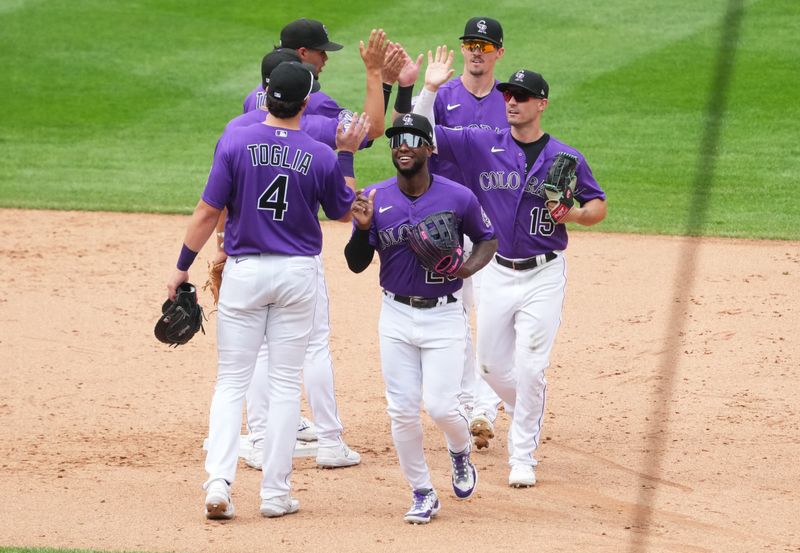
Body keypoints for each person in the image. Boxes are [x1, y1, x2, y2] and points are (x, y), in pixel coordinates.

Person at [165, 61, 369, 520]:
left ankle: (219, 483)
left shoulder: (236, 140)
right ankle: (275, 495)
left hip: (245, 272)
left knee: (231, 382)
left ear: (265, 95)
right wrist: (349, 153)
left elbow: (205, 212)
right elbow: (342, 212)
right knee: (282, 386)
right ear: (305, 103)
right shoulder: (318, 152)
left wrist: (182, 268)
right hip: (298, 276)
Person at [414, 48, 608, 487]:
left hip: (544, 273)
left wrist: (573, 216)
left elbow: (598, 205)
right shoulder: (483, 143)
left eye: (522, 96)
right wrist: (428, 88)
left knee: (531, 366)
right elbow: (422, 132)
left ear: (542, 103)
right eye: (508, 95)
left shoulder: (564, 156)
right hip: (497, 272)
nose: (513, 102)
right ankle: (529, 409)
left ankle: (523, 456)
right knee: (489, 368)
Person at [216, 31, 390, 470]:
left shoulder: (241, 119)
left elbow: (217, 199)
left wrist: (219, 247)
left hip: (244, 254)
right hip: (296, 259)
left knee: (253, 352)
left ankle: (264, 434)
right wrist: (378, 78)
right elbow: (369, 133)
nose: (322, 66)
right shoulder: (315, 121)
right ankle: (328, 440)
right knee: (312, 346)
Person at [344, 113, 498, 523]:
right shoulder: (375, 198)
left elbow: (488, 238)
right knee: (401, 410)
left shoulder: (458, 196)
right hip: (394, 314)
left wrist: (466, 269)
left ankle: (460, 450)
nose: (403, 145)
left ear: (430, 148)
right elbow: (356, 264)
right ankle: (422, 491)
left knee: (442, 407)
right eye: (397, 139)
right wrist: (361, 230)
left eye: (413, 138)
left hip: (444, 316)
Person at [428, 17, 508, 446]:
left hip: (496, 223)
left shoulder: (511, 100)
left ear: (499, 52)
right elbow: (415, 140)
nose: (477, 50)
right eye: (470, 43)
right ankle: (472, 403)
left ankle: (485, 403)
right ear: (463, 49)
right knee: (454, 316)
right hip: (449, 224)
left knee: (493, 318)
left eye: (485, 44)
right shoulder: (444, 96)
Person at [243, 19, 386, 142]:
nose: (325, 58)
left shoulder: (253, 96)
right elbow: (369, 130)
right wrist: (374, 71)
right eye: (321, 52)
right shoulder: (312, 99)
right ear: (303, 52)